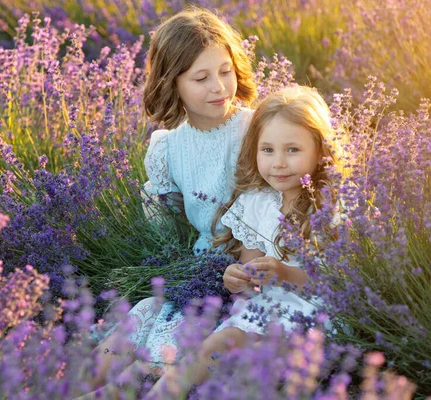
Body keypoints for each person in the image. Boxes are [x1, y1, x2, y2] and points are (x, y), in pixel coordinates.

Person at [77, 7, 257, 398]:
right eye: (201, 78)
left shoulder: (254, 130)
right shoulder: (168, 147)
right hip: (199, 271)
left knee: (154, 356)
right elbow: (167, 226)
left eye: (225, 71)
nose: (219, 87)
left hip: (247, 273)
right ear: (171, 83)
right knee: (135, 321)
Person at [147, 85, 343, 397]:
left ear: (320, 151)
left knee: (235, 356)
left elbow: (337, 284)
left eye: (292, 150)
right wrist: (237, 278)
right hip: (263, 312)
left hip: (313, 320)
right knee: (216, 348)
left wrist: (283, 272)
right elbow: (250, 269)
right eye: (268, 150)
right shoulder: (257, 201)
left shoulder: (331, 206)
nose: (278, 163)